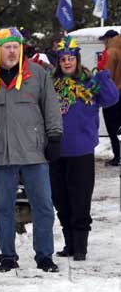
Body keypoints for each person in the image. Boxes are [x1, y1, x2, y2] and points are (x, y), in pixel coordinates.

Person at [0, 21, 63, 273]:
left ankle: (44, 256)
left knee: (42, 206)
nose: (12, 52)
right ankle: (7, 256)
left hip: (34, 152)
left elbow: (51, 108)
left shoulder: (37, 74)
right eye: (7, 47)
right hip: (2, 154)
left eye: (16, 47)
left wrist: (54, 138)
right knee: (3, 207)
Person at [49, 36, 119, 261]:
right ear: (59, 62)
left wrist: (105, 75)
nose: (67, 63)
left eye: (71, 58)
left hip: (82, 151)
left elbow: (111, 99)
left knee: (80, 199)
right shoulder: (51, 85)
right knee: (61, 199)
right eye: (63, 59)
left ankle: (80, 247)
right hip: (56, 151)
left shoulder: (90, 82)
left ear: (77, 60)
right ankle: (69, 244)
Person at [100, 29, 121, 166]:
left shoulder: (110, 52)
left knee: (112, 130)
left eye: (105, 39)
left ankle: (117, 157)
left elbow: (106, 77)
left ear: (110, 38)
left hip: (113, 96)